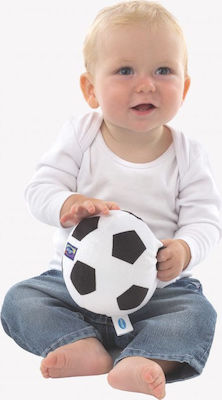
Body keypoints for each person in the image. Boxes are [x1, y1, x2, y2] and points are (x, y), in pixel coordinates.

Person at [1, 1, 221, 399]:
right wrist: (67, 204)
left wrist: (185, 250)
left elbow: (206, 220)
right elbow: (39, 189)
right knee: (20, 300)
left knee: (197, 313)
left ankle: (146, 358)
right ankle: (80, 344)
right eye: (125, 70)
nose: (146, 84)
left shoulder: (188, 154)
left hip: (155, 293)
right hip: (70, 286)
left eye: (163, 71)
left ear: (185, 88)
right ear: (90, 89)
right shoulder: (81, 135)